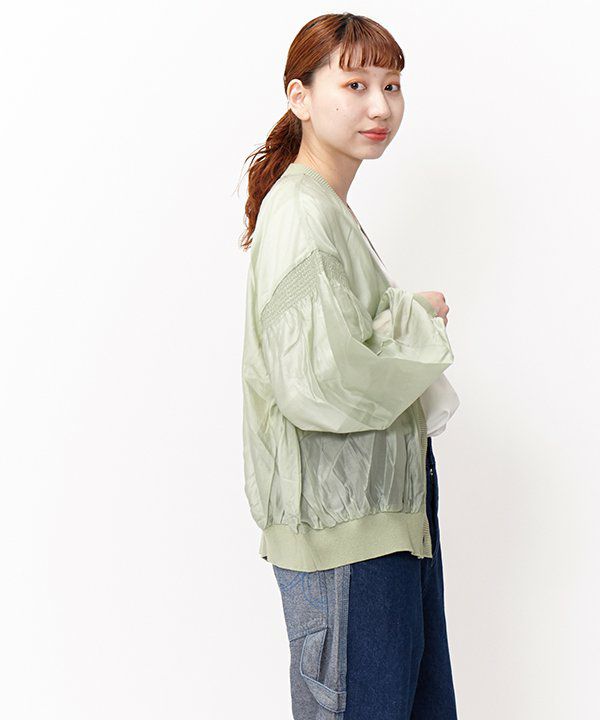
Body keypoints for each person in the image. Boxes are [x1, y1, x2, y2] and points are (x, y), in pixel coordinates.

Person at [239, 12, 460, 719]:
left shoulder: (325, 207)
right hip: (347, 546)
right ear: (299, 96)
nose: (379, 106)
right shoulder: (301, 213)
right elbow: (315, 382)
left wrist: (398, 314)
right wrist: (414, 326)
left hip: (381, 529)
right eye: (356, 84)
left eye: (391, 85)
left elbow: (331, 339)